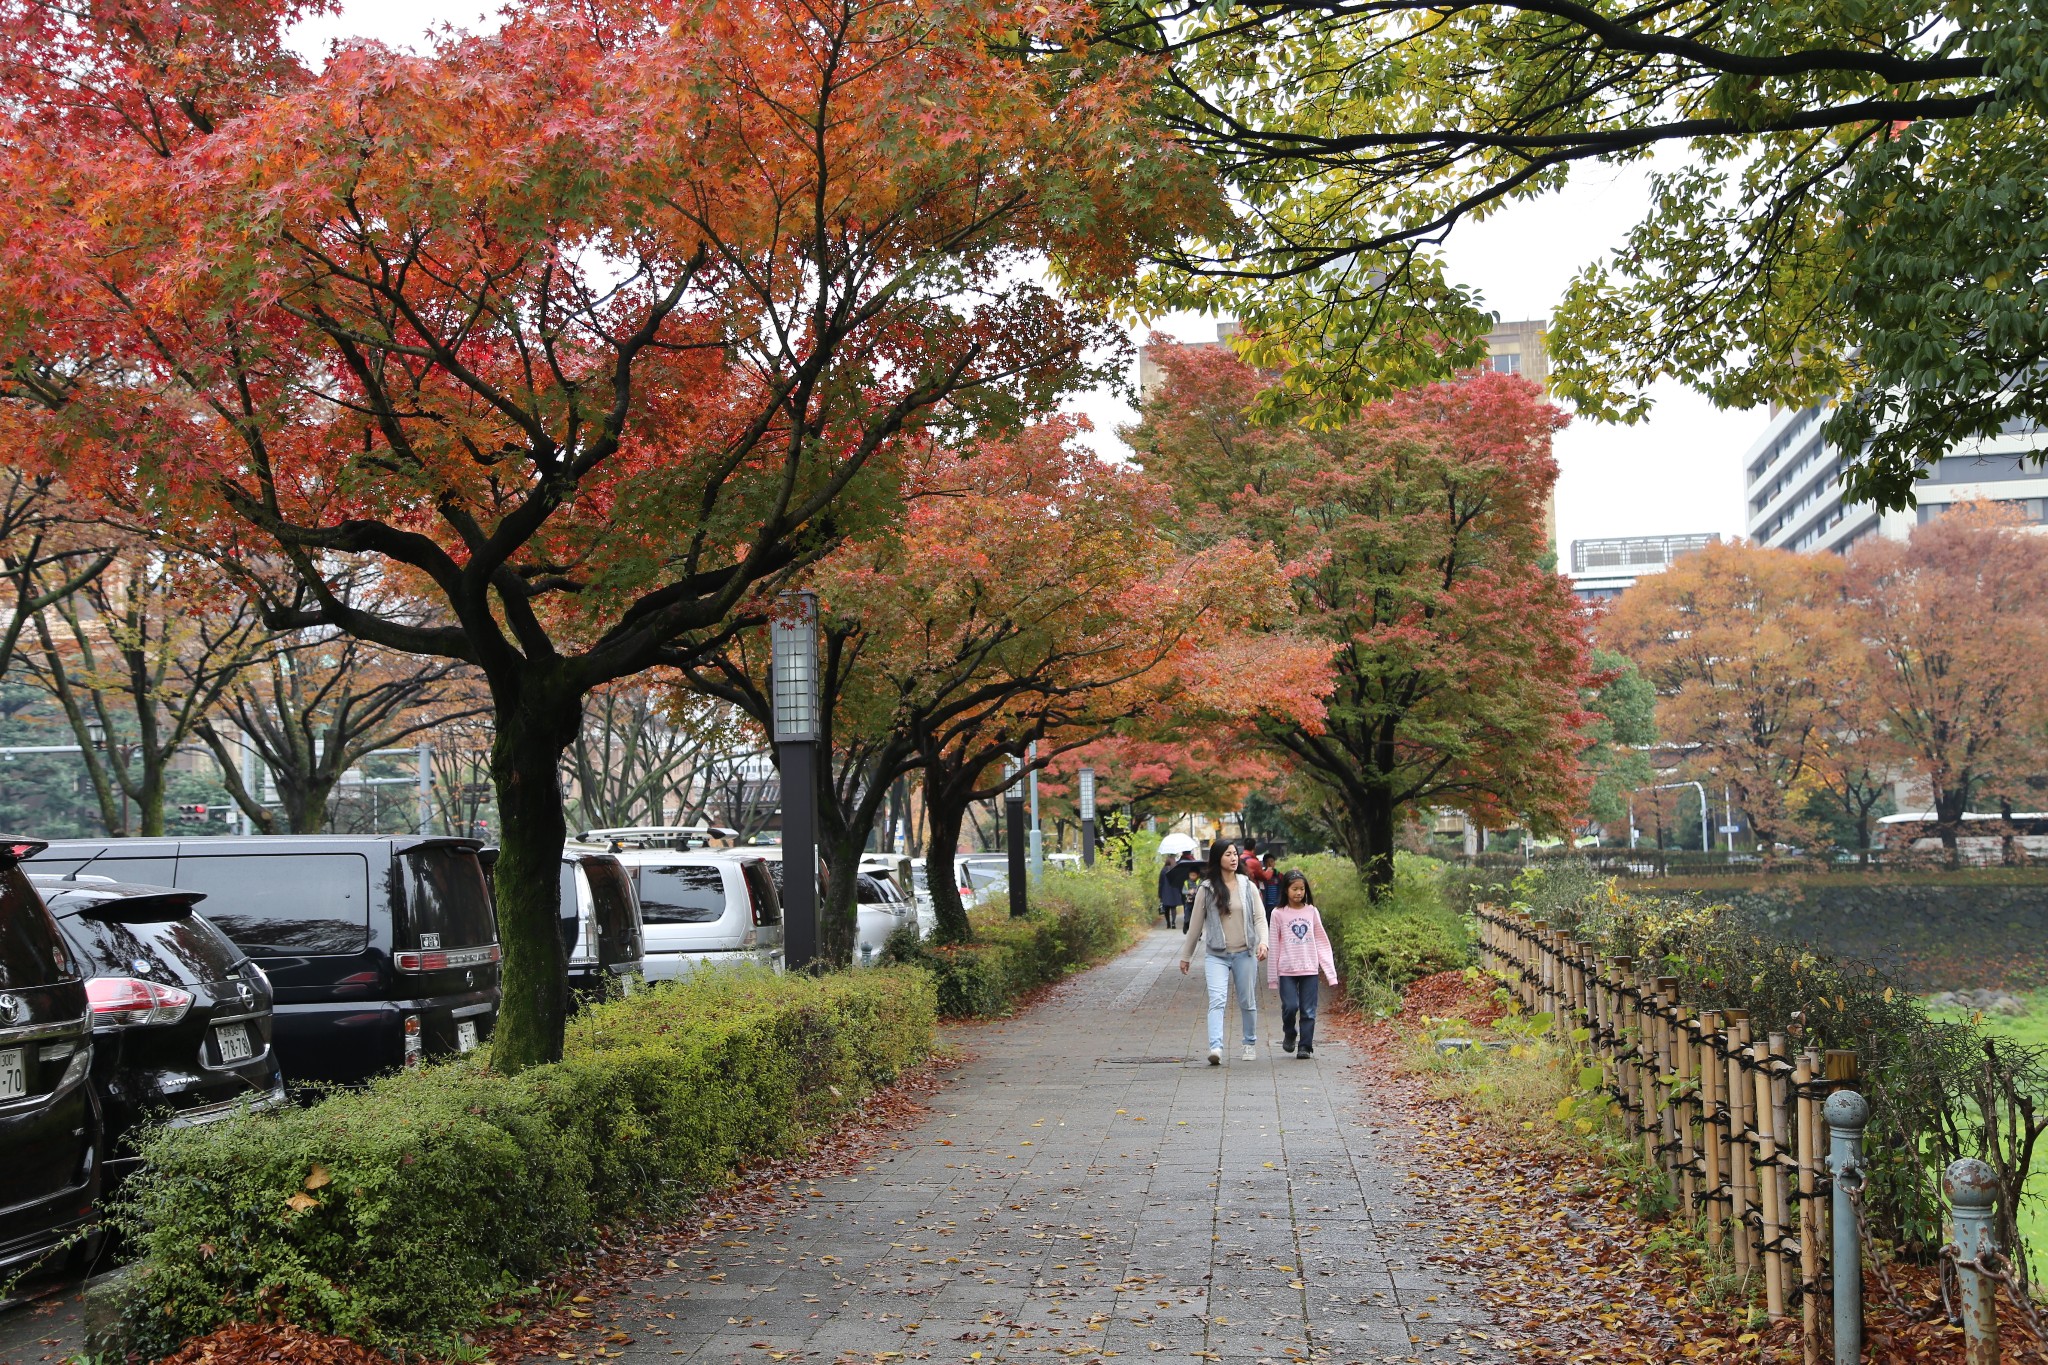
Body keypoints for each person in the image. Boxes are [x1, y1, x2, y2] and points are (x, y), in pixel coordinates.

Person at [1177, 841, 1269, 1065]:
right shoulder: (1207, 889)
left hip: (1244, 953)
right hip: (1216, 955)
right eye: (1228, 854)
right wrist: (1186, 956)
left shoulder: (1248, 886)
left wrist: (1263, 942)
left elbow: (1259, 917)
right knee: (1217, 1000)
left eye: (1235, 854)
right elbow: (1195, 926)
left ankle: (1249, 1043)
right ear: (1218, 858)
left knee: (1247, 1001)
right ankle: (1216, 1047)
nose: (1233, 858)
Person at [1265, 870, 1338, 1059]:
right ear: (1286, 890)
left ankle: (1305, 1046)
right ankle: (1290, 1032)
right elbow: (1273, 943)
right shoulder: (1278, 914)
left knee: (1308, 1010)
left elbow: (1322, 941)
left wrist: (1330, 974)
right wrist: (1273, 977)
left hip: (1309, 968)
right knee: (1290, 1006)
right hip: (1287, 969)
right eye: (1294, 889)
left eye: (1302, 889)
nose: (1299, 893)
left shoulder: (1311, 911)